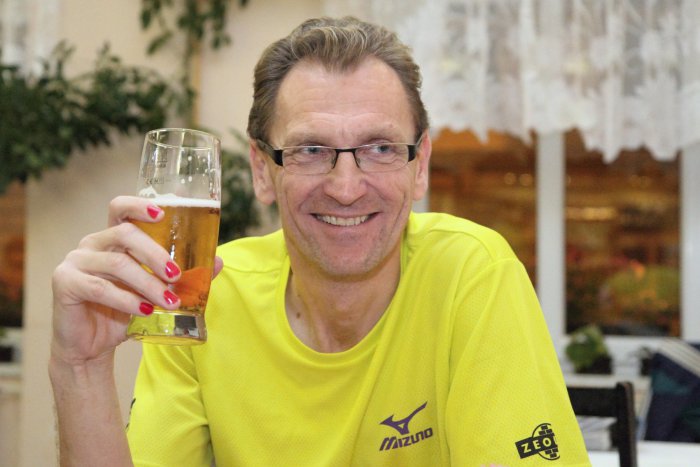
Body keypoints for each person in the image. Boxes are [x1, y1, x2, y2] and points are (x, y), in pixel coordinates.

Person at [50, 16, 591, 466]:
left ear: (420, 164)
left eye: (380, 148)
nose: (347, 188)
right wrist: (80, 368)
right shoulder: (208, 294)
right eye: (311, 150)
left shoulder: (471, 273)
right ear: (262, 170)